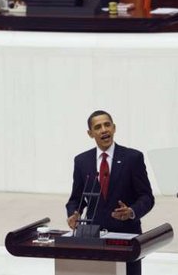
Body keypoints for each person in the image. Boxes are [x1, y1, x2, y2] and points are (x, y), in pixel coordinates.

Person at [66, 110, 154, 275]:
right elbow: (76, 199)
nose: (104, 130)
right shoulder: (81, 161)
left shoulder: (132, 158)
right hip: (94, 241)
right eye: (98, 127)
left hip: (127, 240)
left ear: (114, 128)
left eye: (107, 125)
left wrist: (132, 211)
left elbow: (147, 197)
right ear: (90, 133)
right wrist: (74, 213)